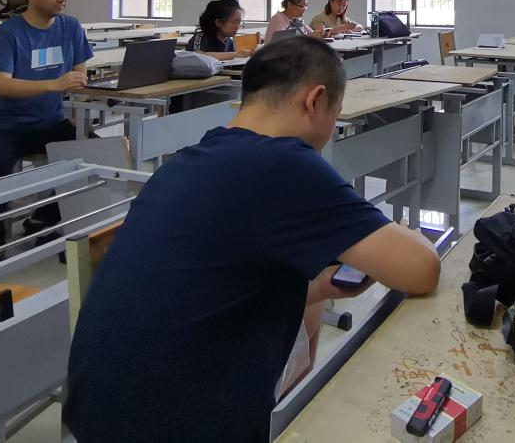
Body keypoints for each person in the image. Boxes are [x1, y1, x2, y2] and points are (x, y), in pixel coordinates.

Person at [64, 36, 441, 442]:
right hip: (175, 427)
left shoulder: (190, 158)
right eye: (335, 115)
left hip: (99, 413)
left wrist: (315, 289)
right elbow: (421, 270)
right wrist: (412, 235)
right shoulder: (284, 164)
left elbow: (212, 282)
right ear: (315, 100)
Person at [0, 0, 93, 256]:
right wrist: (55, 84)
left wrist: (77, 109)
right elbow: (0, 84)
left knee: (96, 153)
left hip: (49, 122)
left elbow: (79, 76)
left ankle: (45, 220)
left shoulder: (71, 27)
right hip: (4, 127)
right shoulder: (8, 34)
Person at [187, 0, 254, 60]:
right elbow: (198, 56)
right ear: (218, 22)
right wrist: (236, 55)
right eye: (233, 22)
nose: (237, 27)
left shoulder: (229, 41)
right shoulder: (200, 37)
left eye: (239, 22)